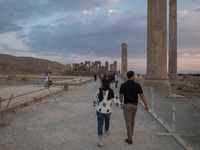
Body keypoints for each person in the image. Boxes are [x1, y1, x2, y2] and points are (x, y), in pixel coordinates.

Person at [119, 71, 148, 145]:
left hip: (127, 105)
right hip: (135, 106)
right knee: (132, 120)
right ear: (133, 76)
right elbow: (142, 95)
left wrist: (121, 103)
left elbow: (121, 95)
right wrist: (146, 104)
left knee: (128, 121)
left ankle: (130, 139)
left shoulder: (123, 85)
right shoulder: (137, 85)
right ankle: (130, 134)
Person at [93, 79, 121, 146]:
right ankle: (106, 131)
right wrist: (120, 105)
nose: (100, 83)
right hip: (108, 111)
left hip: (100, 110)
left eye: (101, 82)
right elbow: (116, 100)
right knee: (107, 121)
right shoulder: (111, 91)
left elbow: (95, 98)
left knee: (100, 124)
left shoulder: (99, 90)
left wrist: (94, 103)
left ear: (103, 83)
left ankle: (100, 140)